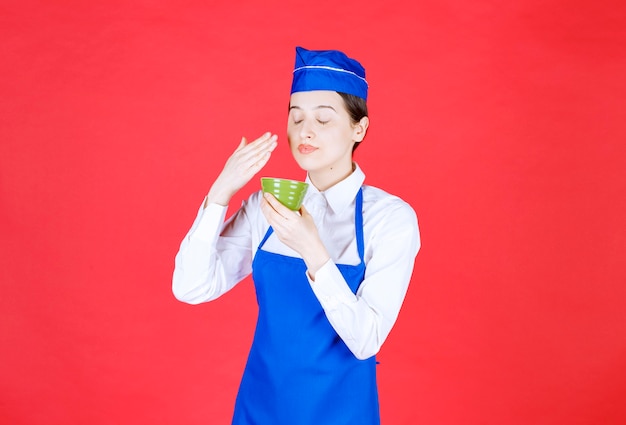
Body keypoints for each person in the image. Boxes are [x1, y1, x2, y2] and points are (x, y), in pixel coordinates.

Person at [172, 46, 421, 425]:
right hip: (260, 407)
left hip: (341, 413)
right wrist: (220, 193)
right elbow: (190, 288)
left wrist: (312, 249)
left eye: (323, 119)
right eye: (296, 117)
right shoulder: (265, 207)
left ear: (360, 128)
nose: (305, 131)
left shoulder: (388, 219)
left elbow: (366, 339)